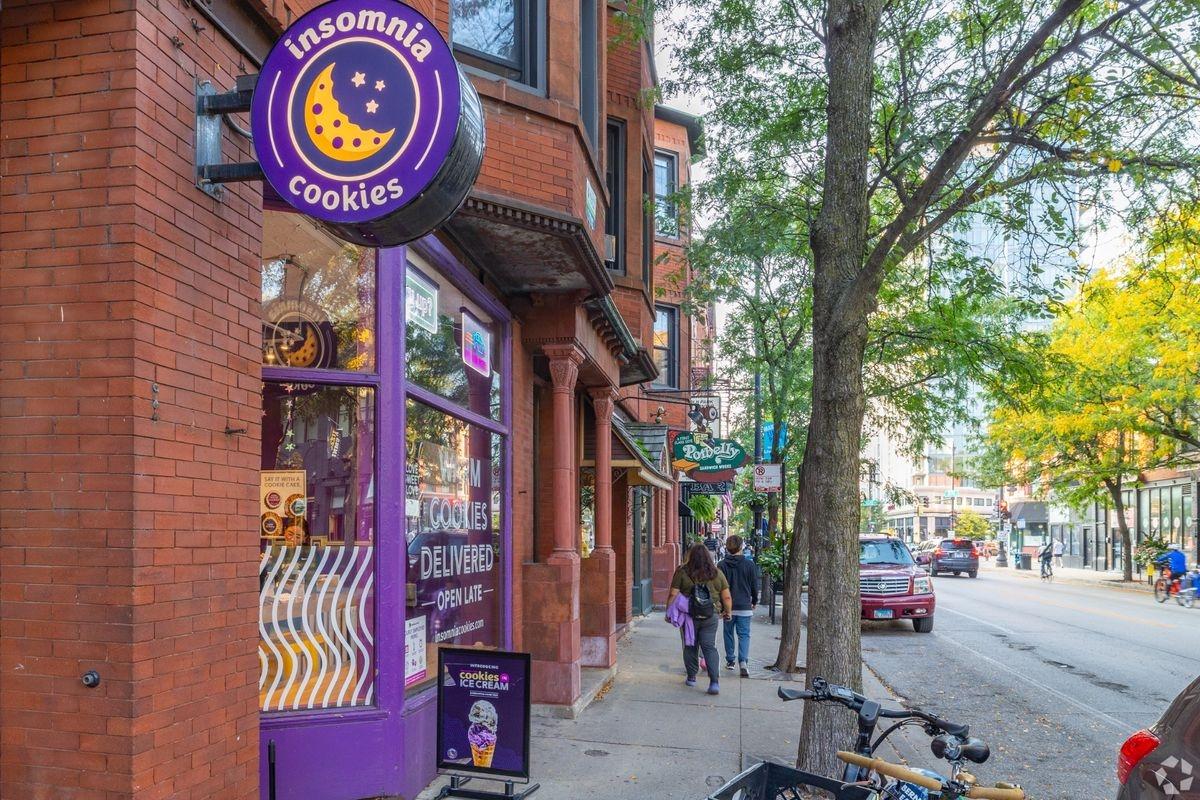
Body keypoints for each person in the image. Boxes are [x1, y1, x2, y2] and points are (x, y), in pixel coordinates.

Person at [666, 544, 732, 695]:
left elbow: (673, 594)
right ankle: (714, 682)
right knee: (709, 647)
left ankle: (691, 677)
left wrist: (669, 612)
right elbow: (726, 596)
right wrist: (728, 612)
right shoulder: (716, 573)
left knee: (690, 645)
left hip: (688, 616)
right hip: (711, 615)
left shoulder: (682, 572)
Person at [718, 535, 758, 677]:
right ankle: (743, 662)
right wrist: (754, 601)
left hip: (727, 606)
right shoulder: (750, 565)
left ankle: (730, 661)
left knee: (728, 633)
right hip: (744, 606)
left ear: (727, 548)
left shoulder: (721, 565)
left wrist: (720, 606)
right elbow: (754, 586)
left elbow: (718, 587)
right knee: (744, 635)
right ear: (741, 547)